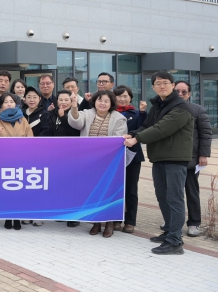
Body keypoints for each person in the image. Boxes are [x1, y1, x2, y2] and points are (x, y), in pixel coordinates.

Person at [124, 71, 194, 255]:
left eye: (165, 82)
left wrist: (137, 139)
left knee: (174, 198)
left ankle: (175, 241)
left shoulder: (181, 106)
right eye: (158, 83)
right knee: (162, 196)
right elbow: (147, 125)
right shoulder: (158, 105)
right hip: (160, 157)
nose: (162, 86)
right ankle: (169, 231)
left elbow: (161, 129)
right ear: (153, 87)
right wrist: (131, 134)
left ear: (172, 85)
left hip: (175, 159)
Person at [68, 90, 128, 237]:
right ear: (94, 101)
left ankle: (109, 223)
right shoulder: (87, 114)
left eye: (106, 101)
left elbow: (118, 140)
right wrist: (74, 106)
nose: (102, 103)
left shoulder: (119, 118)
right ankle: (96, 222)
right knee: (93, 192)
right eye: (100, 100)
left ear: (111, 103)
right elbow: (75, 122)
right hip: (89, 162)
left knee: (108, 192)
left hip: (110, 163)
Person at [0, 92, 33, 231]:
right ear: (1, 105)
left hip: (21, 160)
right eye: (6, 102)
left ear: (16, 104)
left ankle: (17, 216)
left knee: (19, 190)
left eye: (11, 102)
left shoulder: (23, 120)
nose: (9, 104)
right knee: (6, 191)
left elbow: (31, 139)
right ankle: (7, 216)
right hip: (4, 161)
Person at [174, 80, 212, 237]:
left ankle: (194, 223)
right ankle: (173, 222)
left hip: (191, 159)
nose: (180, 94)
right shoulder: (167, 109)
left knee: (191, 191)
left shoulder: (198, 110)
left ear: (189, 94)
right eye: (177, 91)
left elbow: (206, 134)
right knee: (172, 193)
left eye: (184, 92)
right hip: (171, 159)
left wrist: (203, 154)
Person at [43, 89, 82, 228]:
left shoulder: (76, 114)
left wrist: (64, 117)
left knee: (73, 186)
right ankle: (62, 212)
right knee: (60, 185)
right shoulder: (53, 114)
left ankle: (74, 216)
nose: (63, 102)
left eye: (66, 100)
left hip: (73, 156)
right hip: (57, 156)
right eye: (61, 99)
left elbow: (74, 133)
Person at [113, 85, 147, 234]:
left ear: (130, 98)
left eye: (125, 96)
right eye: (119, 96)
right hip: (113, 157)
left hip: (133, 156)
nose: (122, 99)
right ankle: (115, 219)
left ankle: (130, 221)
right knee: (115, 189)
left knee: (131, 189)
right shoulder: (110, 114)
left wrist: (143, 112)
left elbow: (143, 128)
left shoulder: (137, 114)